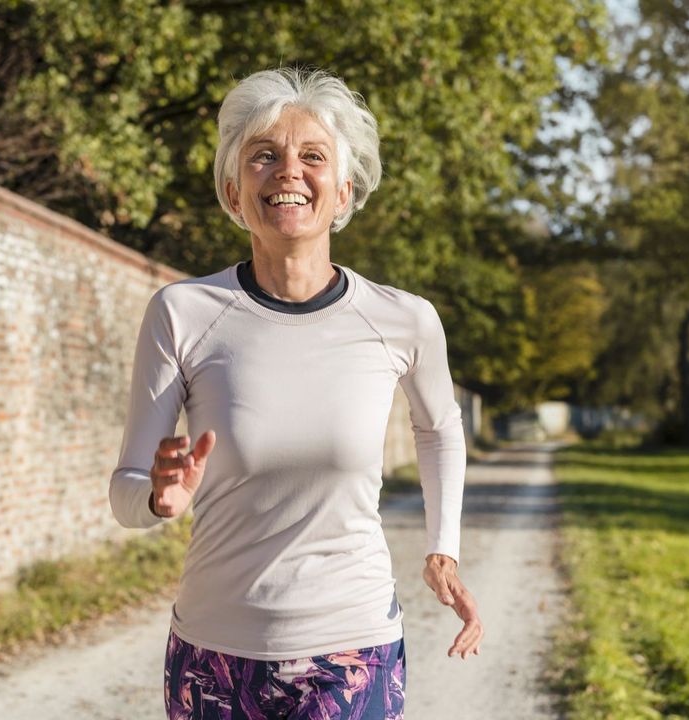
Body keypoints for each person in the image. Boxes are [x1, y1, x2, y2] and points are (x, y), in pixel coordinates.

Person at [108, 66, 482, 720]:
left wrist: (442, 546)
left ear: (343, 190)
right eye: (263, 156)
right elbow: (127, 493)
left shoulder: (403, 319)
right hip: (213, 656)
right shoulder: (184, 312)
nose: (287, 171)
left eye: (312, 156)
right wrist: (157, 500)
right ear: (233, 189)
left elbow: (440, 427)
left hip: (354, 650)